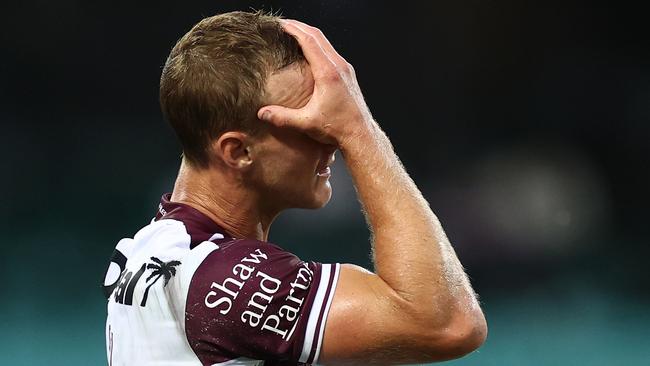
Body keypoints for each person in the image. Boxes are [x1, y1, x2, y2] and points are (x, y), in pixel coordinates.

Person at [102, 11, 487, 366]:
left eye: (331, 119)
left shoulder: (150, 249)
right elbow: (447, 322)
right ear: (237, 151)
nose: (331, 138)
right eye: (307, 124)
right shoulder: (219, 278)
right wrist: (360, 129)